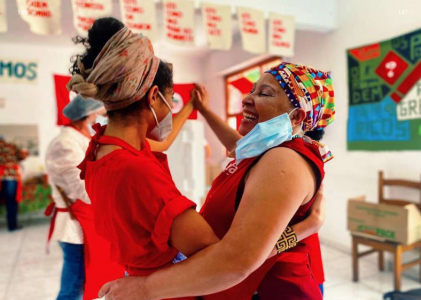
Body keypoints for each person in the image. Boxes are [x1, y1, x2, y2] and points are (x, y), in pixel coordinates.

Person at [66, 18, 327, 300]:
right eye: (250, 90)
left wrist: (145, 288)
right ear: (153, 97)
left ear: (298, 116)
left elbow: (237, 259)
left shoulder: (101, 149)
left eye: (263, 93)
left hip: (265, 288)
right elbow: (236, 147)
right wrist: (199, 108)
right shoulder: (259, 152)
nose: (246, 99)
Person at [45, 95, 105, 300]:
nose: (102, 119)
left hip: (83, 222)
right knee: (73, 289)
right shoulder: (66, 144)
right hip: (74, 227)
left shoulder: (80, 139)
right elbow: (85, 191)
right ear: (88, 117)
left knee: (80, 285)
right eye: (99, 115)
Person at [0, 137, 27, 231]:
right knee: (11, 203)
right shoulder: (11, 146)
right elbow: (22, 156)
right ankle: (12, 226)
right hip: (10, 176)